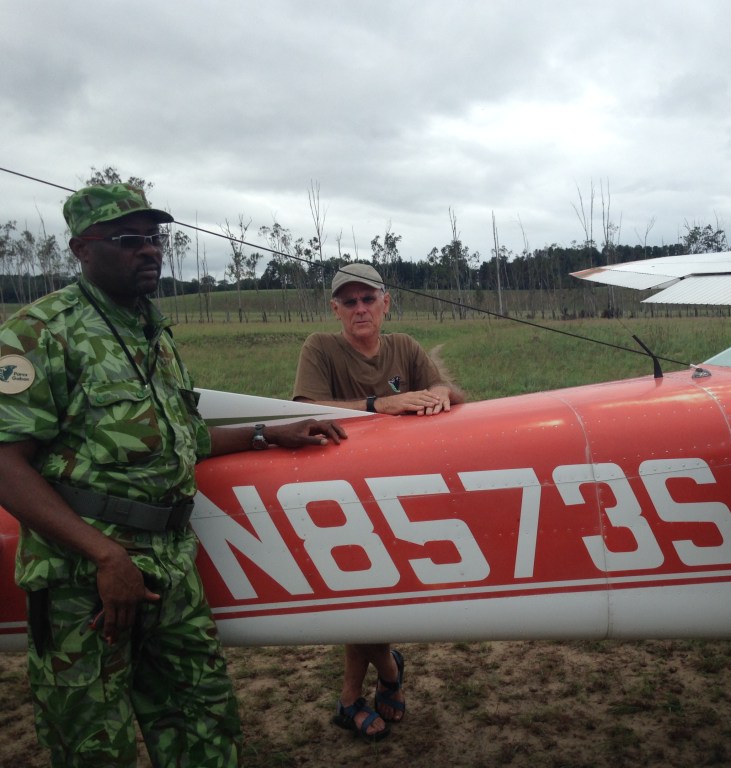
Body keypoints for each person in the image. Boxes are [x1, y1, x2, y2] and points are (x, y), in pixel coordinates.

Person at [0, 183, 347, 767]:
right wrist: (106, 558)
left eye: (155, 238)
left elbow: (174, 439)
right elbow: (6, 464)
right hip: (82, 578)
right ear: (83, 250)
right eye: (129, 239)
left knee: (203, 727)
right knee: (93, 745)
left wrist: (265, 433)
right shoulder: (41, 333)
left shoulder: (151, 332)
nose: (150, 250)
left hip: (170, 563)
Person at [292, 262, 464, 741]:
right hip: (337, 493)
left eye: (368, 299)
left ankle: (354, 698)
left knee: (374, 594)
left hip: (395, 489)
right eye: (349, 302)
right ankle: (385, 674)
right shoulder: (321, 348)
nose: (360, 309)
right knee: (358, 592)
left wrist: (434, 394)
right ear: (336, 310)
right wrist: (378, 405)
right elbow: (304, 409)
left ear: (386, 302)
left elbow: (451, 392)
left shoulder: (405, 347)